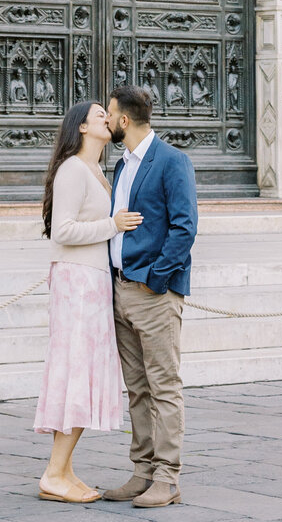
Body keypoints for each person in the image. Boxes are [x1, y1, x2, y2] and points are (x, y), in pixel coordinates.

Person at [35, 101, 143, 504]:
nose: (107, 118)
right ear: (81, 128)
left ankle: (63, 469)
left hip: (95, 282)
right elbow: (61, 231)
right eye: (99, 114)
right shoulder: (73, 170)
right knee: (74, 373)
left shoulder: (98, 171)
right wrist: (111, 225)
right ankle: (52, 472)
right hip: (76, 282)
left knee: (85, 373)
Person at [102, 85, 198, 510]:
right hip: (120, 290)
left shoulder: (173, 161)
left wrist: (156, 279)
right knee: (137, 389)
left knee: (163, 386)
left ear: (124, 120)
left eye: (109, 114)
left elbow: (184, 227)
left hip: (152, 292)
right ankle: (141, 471)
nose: (105, 120)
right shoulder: (121, 166)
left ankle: (168, 477)